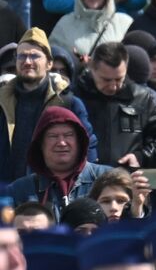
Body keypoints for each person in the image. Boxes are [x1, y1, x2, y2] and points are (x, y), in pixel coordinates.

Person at [0, 28, 97, 182]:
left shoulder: (68, 103)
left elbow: (88, 146)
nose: (27, 61)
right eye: (22, 56)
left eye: (34, 56)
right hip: (5, 192)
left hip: (51, 191)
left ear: (49, 63)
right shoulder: (2, 100)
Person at [72, 40, 156, 169]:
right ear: (92, 68)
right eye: (106, 80)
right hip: (82, 179)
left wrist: (141, 156)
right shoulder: (75, 97)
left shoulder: (140, 98)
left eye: (118, 79)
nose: (112, 86)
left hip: (124, 180)